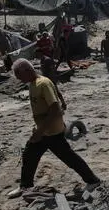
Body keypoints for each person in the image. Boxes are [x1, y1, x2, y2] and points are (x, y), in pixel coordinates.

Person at [7, 59, 100, 198]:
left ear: (28, 70)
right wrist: (38, 129)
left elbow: (54, 108)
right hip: (43, 131)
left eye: (20, 76)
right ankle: (25, 186)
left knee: (69, 157)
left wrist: (40, 130)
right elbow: (55, 93)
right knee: (29, 155)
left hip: (52, 131)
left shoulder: (43, 83)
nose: (20, 80)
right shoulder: (33, 84)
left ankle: (93, 180)